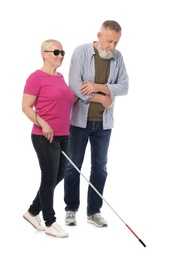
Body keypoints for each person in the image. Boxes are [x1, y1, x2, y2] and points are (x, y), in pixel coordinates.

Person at [64, 20, 129, 227]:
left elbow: (125, 86)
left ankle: (94, 212)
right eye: (109, 41)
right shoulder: (81, 52)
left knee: (100, 168)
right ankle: (71, 209)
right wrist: (102, 97)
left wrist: (97, 86)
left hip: (104, 123)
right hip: (79, 122)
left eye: (116, 42)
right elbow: (75, 86)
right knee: (73, 167)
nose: (112, 46)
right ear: (99, 35)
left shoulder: (117, 58)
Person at [22, 39, 75, 238]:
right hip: (44, 136)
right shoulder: (36, 77)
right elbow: (26, 107)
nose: (60, 55)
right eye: (56, 52)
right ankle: (50, 222)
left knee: (59, 175)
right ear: (44, 54)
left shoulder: (60, 77)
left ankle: (32, 211)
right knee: (49, 177)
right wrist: (43, 124)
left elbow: (65, 101)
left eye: (62, 52)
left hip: (64, 135)